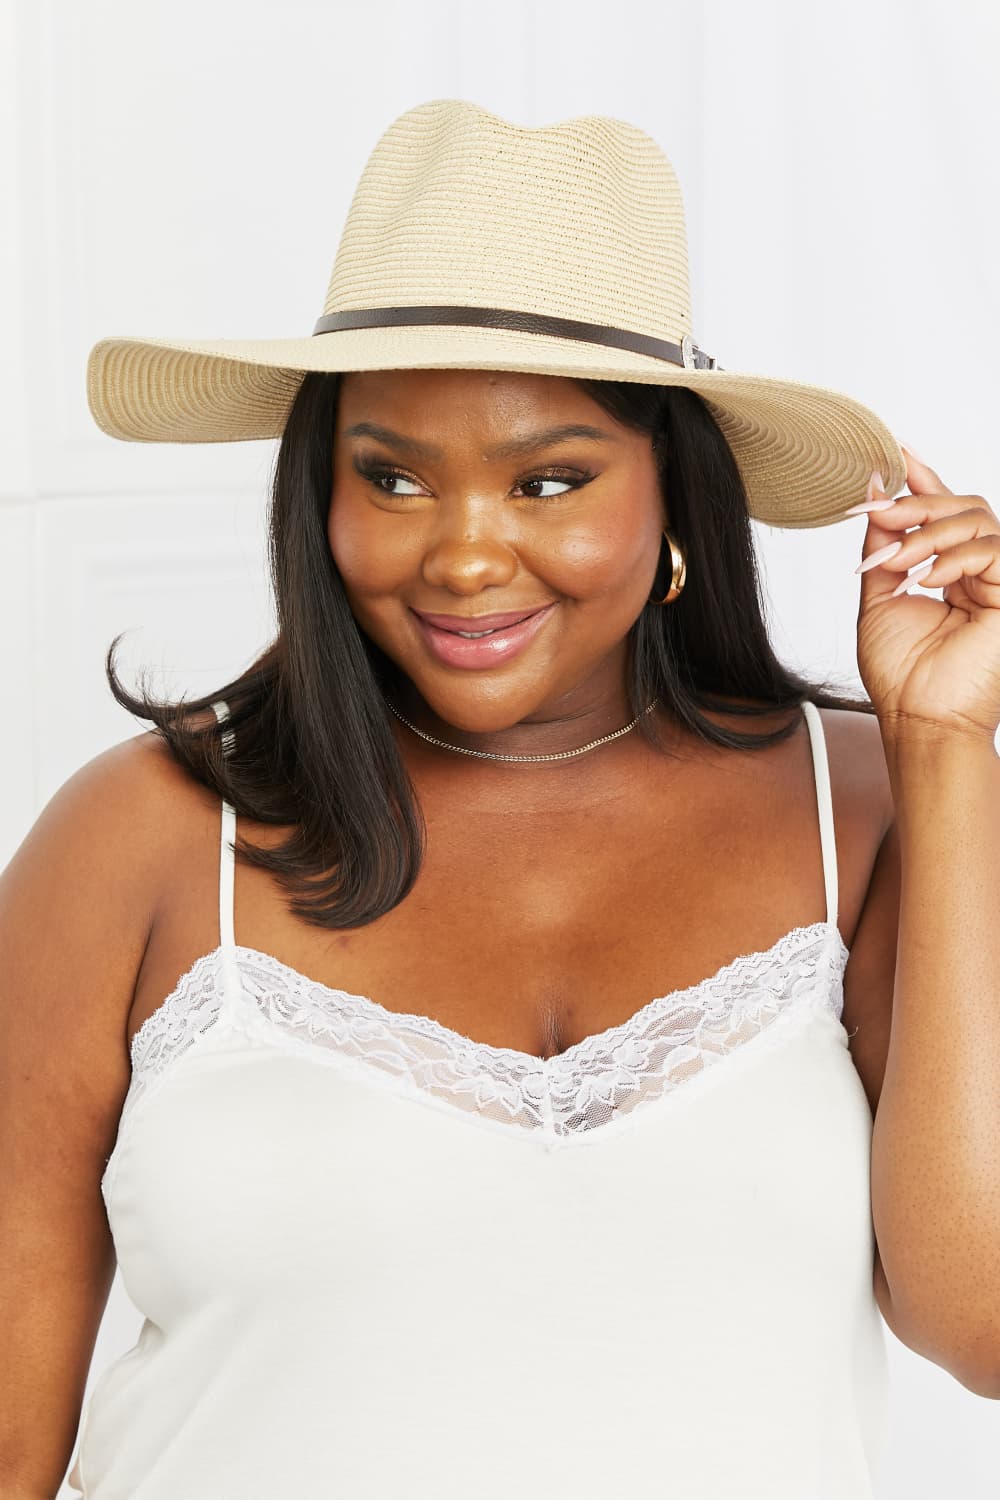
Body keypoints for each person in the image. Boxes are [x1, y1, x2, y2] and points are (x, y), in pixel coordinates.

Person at [0, 98, 926, 1499]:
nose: (465, 556)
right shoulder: (139, 836)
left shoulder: (859, 812)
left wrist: (958, 754)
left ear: (674, 491)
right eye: (392, 478)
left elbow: (975, 1325)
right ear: (320, 489)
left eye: (549, 479)